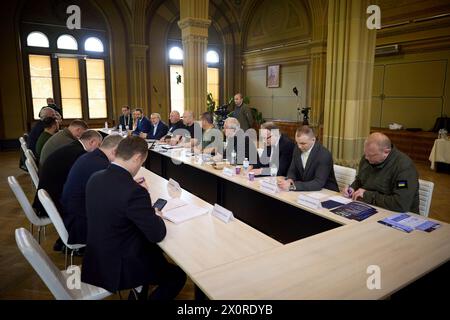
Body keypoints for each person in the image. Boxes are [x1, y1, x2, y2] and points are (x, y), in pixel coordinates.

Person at [81, 136, 186, 300]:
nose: (140, 166)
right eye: (142, 162)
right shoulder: (134, 191)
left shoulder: (95, 178)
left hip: (96, 256)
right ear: (137, 158)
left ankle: (138, 291)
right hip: (120, 266)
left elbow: (116, 207)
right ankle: (138, 287)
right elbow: (157, 234)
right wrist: (154, 213)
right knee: (177, 276)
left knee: (156, 255)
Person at [62, 135, 123, 245]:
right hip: (81, 224)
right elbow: (114, 199)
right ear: (115, 151)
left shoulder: (90, 157)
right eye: (123, 155)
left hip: (72, 214)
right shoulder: (101, 165)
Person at [344, 132, 420, 213]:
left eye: (371, 155)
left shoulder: (404, 167)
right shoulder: (368, 159)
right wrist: (352, 188)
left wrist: (367, 195)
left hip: (400, 215)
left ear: (386, 152)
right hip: (370, 207)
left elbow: (400, 204)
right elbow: (360, 180)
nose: (366, 158)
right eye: (365, 154)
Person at [278, 126, 339, 192]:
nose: (299, 146)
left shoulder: (324, 155)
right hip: (307, 190)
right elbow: (292, 170)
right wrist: (290, 179)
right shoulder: (297, 149)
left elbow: (318, 183)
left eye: (303, 143)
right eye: (297, 142)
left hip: (327, 191)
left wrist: (293, 186)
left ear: (313, 140)